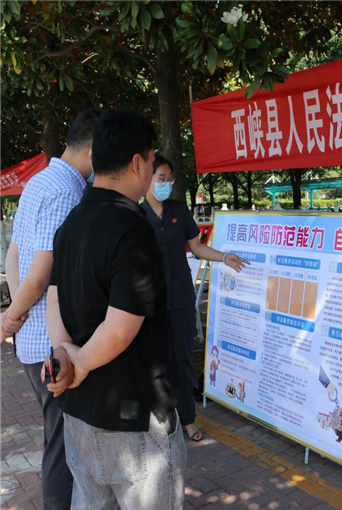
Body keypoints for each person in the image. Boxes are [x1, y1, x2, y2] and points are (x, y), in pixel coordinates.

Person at [46, 109, 185, 508]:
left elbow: (54, 297)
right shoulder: (134, 229)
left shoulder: (70, 224)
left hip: (78, 412)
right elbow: (121, 326)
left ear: (94, 158)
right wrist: (80, 362)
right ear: (139, 163)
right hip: (134, 419)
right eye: (152, 162)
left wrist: (64, 353)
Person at [1, 107, 106, 510]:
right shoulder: (67, 192)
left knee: (55, 437)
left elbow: (14, 255)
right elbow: (43, 271)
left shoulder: (39, 182)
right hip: (52, 343)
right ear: (94, 152)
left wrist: (16, 313)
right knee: (64, 448)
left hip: (33, 340)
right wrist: (12, 316)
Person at [140, 154, 249, 442]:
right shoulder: (135, 213)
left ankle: (188, 419)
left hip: (181, 299)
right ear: (147, 178)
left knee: (183, 360)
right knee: (156, 362)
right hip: (150, 302)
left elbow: (197, 247)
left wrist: (223, 257)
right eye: (160, 178)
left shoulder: (178, 209)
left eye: (169, 179)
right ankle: (162, 420)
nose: (166, 183)